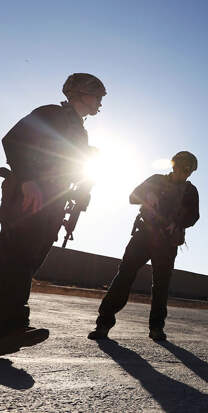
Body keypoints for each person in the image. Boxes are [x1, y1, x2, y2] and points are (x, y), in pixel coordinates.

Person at [0, 73, 106, 355]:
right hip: (30, 196)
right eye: (97, 96)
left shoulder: (80, 131)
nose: (100, 102)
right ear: (81, 93)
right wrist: (27, 180)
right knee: (17, 258)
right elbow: (14, 140)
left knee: (25, 262)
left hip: (52, 203)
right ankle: (11, 326)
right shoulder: (51, 114)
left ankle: (8, 326)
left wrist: (76, 204)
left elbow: (75, 171)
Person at [87, 151, 199, 342]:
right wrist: (147, 195)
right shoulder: (156, 180)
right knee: (124, 275)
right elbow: (132, 197)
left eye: (190, 171)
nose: (186, 173)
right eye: (184, 169)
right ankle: (103, 324)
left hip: (167, 241)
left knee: (161, 285)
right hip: (145, 235)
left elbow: (194, 216)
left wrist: (178, 224)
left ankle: (156, 328)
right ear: (174, 166)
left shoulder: (190, 191)